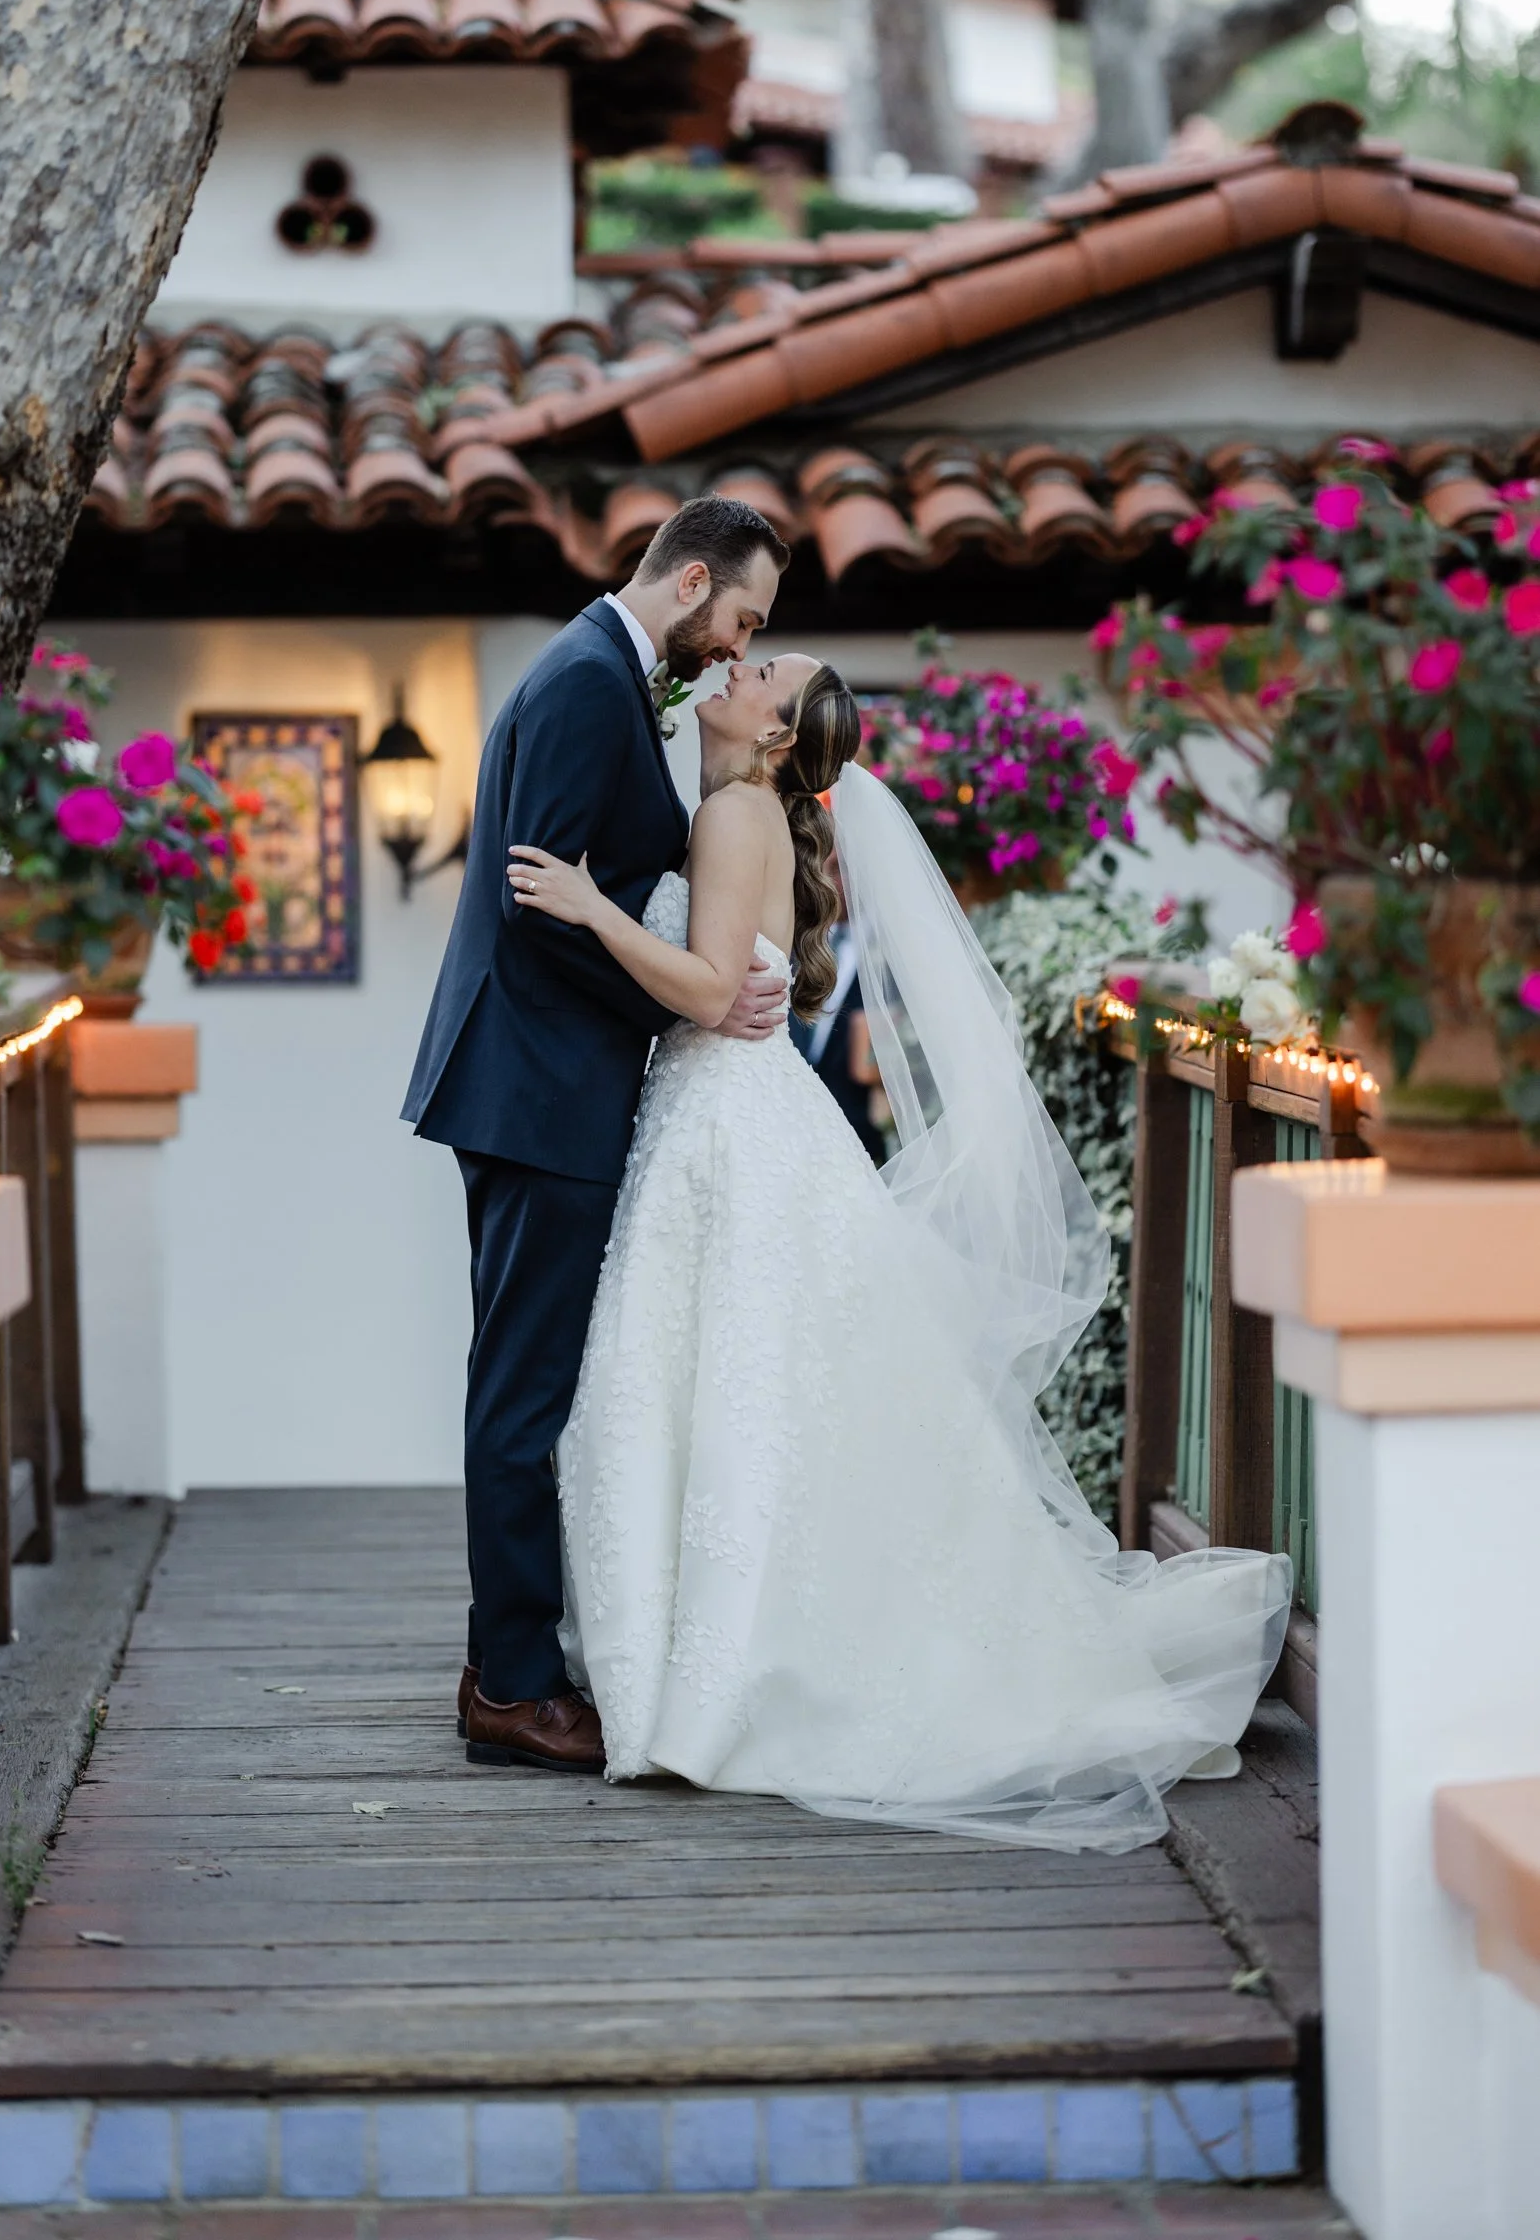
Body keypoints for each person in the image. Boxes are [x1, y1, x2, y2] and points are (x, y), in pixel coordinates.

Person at [507, 654, 1291, 1849]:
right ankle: (708, 1663)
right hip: (722, 1123)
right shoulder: (734, 808)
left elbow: (711, 989)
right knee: (741, 1395)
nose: (736, 663)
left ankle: (716, 1679)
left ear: (778, 733)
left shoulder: (734, 812)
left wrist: (591, 906)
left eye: (761, 667)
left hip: (728, 1131)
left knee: (727, 1391)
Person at [402, 495, 791, 1773]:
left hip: (539, 1079)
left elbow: (583, 894)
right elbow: (541, 906)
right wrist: (690, 1005)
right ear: (692, 582)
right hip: (539, 1084)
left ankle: (506, 1661)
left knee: (526, 1381)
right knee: (524, 1392)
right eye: (744, 619)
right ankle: (514, 1685)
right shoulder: (584, 681)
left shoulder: (600, 674)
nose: (739, 649)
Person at [788, 896, 885, 1165]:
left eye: (838, 874)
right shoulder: (795, 933)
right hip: (788, 1120)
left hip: (857, 1133)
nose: (831, 880)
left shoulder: (889, 950)